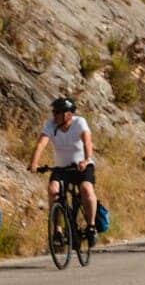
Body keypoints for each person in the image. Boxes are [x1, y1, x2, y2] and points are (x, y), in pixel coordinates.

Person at [29, 96, 97, 241]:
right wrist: (34, 163)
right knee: (53, 191)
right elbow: (41, 144)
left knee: (86, 189)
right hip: (61, 168)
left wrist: (86, 160)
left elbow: (87, 142)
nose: (54, 115)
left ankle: (91, 226)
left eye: (57, 112)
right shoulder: (51, 125)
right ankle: (58, 230)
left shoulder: (80, 122)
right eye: (54, 112)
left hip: (82, 166)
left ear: (68, 114)